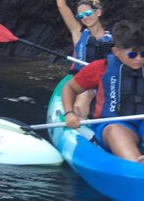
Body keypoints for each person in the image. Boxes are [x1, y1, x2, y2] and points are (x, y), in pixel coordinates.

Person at [61, 20, 144, 163]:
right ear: (116, 51)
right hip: (114, 124)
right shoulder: (100, 68)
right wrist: (69, 113)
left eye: (143, 54)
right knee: (115, 131)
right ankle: (137, 163)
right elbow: (69, 88)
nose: (139, 59)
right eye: (132, 55)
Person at [56, 0, 113, 116]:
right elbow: (62, 6)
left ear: (98, 12)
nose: (84, 18)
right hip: (83, 81)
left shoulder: (114, 39)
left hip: (105, 82)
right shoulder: (78, 33)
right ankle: (77, 124)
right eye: (80, 16)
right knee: (84, 95)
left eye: (88, 14)